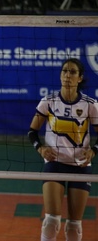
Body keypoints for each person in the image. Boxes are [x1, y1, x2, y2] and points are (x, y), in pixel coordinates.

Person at [27, 58, 98, 241]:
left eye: (73, 72)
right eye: (65, 71)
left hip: (80, 166)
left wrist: (93, 151)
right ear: (60, 75)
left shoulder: (90, 104)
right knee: (51, 222)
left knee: (74, 226)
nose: (68, 75)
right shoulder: (49, 101)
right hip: (55, 164)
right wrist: (40, 148)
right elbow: (32, 131)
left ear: (80, 78)